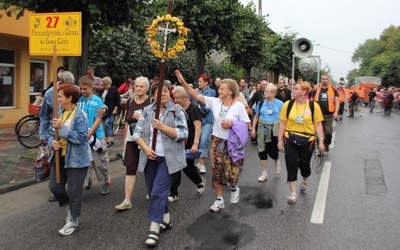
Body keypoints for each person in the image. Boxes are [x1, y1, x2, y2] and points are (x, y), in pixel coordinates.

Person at [175, 70, 251, 212]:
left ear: (230, 91)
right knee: (217, 171)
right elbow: (196, 95)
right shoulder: (215, 102)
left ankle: (234, 188)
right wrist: (183, 82)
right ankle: (219, 200)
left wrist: (232, 124)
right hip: (217, 141)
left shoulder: (239, 106)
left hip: (232, 143)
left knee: (231, 172)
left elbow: (247, 125)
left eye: (222, 88)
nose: (219, 90)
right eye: (219, 87)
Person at [132, 81, 188, 247]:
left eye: (165, 91)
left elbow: (183, 133)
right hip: (150, 157)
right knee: (153, 191)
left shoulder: (177, 111)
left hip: (168, 159)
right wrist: (145, 148)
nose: (162, 94)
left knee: (157, 192)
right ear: (153, 95)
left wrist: (162, 127)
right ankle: (166, 220)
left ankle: (154, 229)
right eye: (159, 92)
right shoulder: (147, 111)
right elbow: (137, 133)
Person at [48, 83, 90, 236]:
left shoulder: (80, 115)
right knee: (55, 188)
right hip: (59, 157)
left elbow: (81, 138)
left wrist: (63, 129)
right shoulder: (59, 113)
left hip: (76, 159)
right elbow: (50, 133)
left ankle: (73, 220)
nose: (58, 99)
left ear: (69, 98)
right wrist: (52, 142)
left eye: (60, 96)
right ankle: (72, 206)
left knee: (74, 191)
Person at [277, 81, 325, 204]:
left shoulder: (314, 106)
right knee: (291, 164)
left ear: (304, 91)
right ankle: (293, 193)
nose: (293, 90)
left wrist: (321, 141)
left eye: (296, 88)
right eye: (293, 88)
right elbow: (282, 123)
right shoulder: (288, 105)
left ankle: (305, 178)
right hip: (290, 137)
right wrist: (280, 140)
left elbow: (318, 124)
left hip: (308, 139)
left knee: (304, 165)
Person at [114, 76, 152, 211]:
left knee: (149, 166)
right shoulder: (130, 101)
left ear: (147, 88)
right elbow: (126, 122)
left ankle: (153, 192)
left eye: (142, 86)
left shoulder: (151, 102)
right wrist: (124, 141)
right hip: (131, 138)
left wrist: (142, 118)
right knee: (130, 167)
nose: (138, 89)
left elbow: (155, 121)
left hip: (146, 139)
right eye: (137, 86)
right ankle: (127, 200)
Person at [39, 70, 74, 202]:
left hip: (70, 131)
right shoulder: (49, 94)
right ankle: (57, 189)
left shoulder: (75, 90)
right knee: (56, 160)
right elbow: (43, 115)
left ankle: (72, 190)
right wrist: (43, 134)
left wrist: (103, 108)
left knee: (70, 160)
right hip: (54, 132)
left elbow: (89, 101)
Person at [168, 86, 206, 202]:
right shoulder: (175, 109)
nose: (176, 101)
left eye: (178, 98)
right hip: (177, 142)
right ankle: (173, 193)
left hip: (190, 143)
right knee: (175, 167)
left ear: (186, 97)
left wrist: (195, 144)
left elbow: (198, 126)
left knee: (187, 167)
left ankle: (199, 181)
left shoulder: (193, 108)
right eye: (175, 98)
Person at [77, 75, 111, 195]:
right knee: (83, 162)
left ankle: (106, 181)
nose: (83, 91)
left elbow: (98, 118)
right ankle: (87, 180)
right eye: (81, 89)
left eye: (85, 89)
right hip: (82, 136)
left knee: (100, 162)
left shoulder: (97, 100)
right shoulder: (79, 100)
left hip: (96, 136)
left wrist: (89, 134)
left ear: (91, 87)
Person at [251, 84, 283, 182]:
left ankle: (276, 160)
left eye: (267, 91)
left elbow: (284, 119)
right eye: (265, 91)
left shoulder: (280, 104)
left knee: (273, 152)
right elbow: (256, 116)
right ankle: (264, 173)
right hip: (262, 129)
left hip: (274, 131)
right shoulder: (261, 102)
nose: (264, 92)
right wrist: (253, 129)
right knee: (262, 151)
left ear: (273, 94)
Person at [192, 74, 216, 174]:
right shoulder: (197, 92)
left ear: (206, 82)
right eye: (198, 81)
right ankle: (198, 161)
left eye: (200, 81)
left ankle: (202, 164)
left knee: (204, 141)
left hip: (207, 120)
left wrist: (196, 97)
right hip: (198, 119)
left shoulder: (211, 92)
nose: (198, 83)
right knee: (197, 140)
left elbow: (204, 102)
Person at [313, 74, 339, 153]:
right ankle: (320, 149)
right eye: (323, 79)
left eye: (326, 79)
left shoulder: (333, 89)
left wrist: (336, 112)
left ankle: (326, 144)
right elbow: (311, 101)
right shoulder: (316, 89)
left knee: (328, 133)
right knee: (317, 135)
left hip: (328, 115)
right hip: (318, 115)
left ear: (328, 80)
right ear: (321, 80)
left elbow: (337, 101)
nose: (324, 80)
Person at [99, 77, 121, 146]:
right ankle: (106, 139)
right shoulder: (102, 90)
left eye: (105, 84)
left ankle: (109, 139)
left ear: (109, 83)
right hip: (103, 110)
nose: (104, 86)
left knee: (107, 123)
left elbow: (118, 99)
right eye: (103, 84)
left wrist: (115, 109)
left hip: (111, 110)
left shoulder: (114, 90)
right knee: (102, 125)